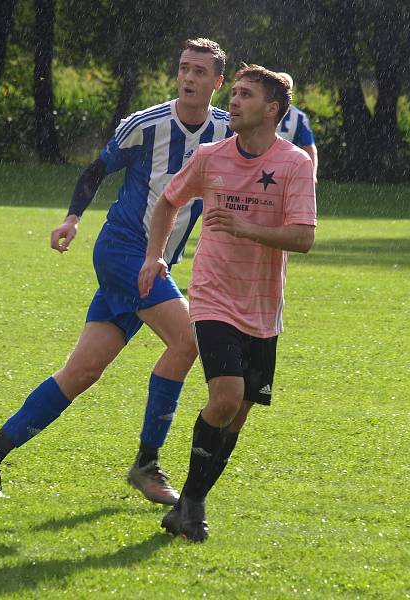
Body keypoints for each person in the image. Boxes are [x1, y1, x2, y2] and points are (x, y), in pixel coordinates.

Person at [0, 38, 233, 504]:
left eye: (199, 71)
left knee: (81, 372)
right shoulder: (147, 125)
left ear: (217, 82)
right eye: (183, 68)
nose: (188, 78)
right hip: (125, 252)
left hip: (156, 262)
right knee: (189, 338)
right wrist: (72, 217)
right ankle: (147, 465)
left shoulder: (226, 131)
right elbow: (95, 170)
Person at [138, 65, 317, 541]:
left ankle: (187, 505)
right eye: (233, 92)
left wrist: (247, 229)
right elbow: (167, 202)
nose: (233, 102)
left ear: (272, 109)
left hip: (263, 307)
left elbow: (302, 238)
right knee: (226, 397)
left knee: (237, 415)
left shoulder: (295, 164)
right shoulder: (210, 156)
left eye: (245, 95)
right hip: (213, 297)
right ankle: (194, 506)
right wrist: (155, 256)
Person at [276, 72, 318, 183]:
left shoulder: (299, 117)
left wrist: (312, 173)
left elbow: (309, 146)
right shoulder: (298, 116)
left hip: (287, 165)